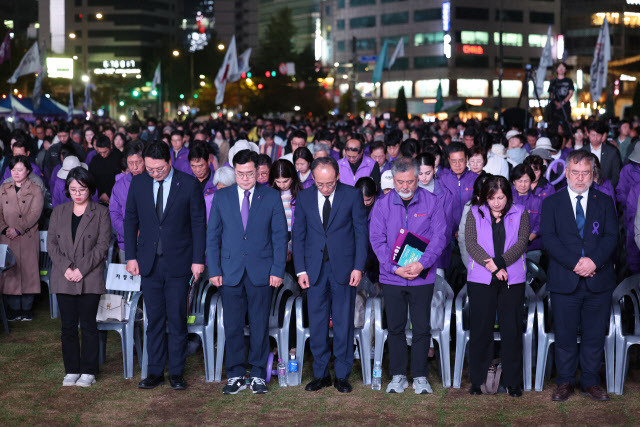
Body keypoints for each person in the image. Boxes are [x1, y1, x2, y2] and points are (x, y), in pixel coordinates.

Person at [124, 142, 206, 391]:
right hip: (149, 263)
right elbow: (130, 220)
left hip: (179, 262)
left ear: (169, 162)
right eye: (149, 169)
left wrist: (198, 260)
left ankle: (177, 373)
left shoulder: (189, 184)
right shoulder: (138, 183)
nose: (154, 173)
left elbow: (199, 224)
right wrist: (131, 256)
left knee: (178, 319)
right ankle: (155, 371)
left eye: (159, 169)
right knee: (154, 320)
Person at [207, 149, 288, 395]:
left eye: (250, 173)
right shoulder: (222, 197)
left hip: (261, 271)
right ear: (234, 171)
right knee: (232, 324)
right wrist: (214, 269)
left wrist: (277, 270)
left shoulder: (272, 197)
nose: (245, 178)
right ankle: (233, 373)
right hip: (229, 271)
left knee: (260, 324)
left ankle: (257, 374)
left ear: (257, 171)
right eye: (240, 174)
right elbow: (213, 237)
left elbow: (280, 236)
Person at [541, 149, 618, 402]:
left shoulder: (604, 201)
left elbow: (611, 238)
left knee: (594, 334)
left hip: (598, 279)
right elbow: (549, 240)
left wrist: (593, 261)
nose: (580, 178)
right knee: (564, 334)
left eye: (586, 173)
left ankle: (590, 381)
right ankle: (564, 382)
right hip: (565, 279)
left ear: (593, 173)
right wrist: (576, 263)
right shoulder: (552, 202)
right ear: (566, 172)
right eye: (575, 172)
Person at [369, 157, 447, 394]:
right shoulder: (382, 205)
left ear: (419, 179)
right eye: (400, 181)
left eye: (411, 182)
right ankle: (398, 375)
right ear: (393, 180)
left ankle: (421, 376)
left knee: (422, 327)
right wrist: (394, 267)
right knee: (395, 327)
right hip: (393, 277)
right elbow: (377, 240)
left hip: (422, 276)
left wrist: (422, 264)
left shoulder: (432, 202)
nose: (405, 186)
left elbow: (440, 236)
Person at [292, 156, 368, 394]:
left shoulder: (352, 195)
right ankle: (321, 374)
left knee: (344, 322)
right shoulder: (304, 197)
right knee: (316, 322)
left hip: (344, 268)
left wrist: (358, 267)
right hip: (314, 269)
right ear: (312, 179)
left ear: (337, 176)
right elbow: (299, 235)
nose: (325, 188)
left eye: (330, 183)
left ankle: (343, 375)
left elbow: (360, 233)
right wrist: (300, 269)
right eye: (320, 184)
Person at [465, 175, 530, 397]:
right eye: (492, 198)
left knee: (511, 330)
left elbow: (522, 242)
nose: (496, 202)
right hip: (481, 279)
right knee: (480, 330)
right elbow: (470, 243)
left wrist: (501, 263)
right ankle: (477, 380)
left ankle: (513, 382)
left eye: (501, 197)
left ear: (508, 196)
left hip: (512, 279)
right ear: (485, 197)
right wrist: (493, 267)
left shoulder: (520, 212)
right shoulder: (475, 212)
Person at [47, 167, 111, 388]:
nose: (77, 193)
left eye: (82, 189)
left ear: (90, 189)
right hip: (63, 276)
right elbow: (51, 245)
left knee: (88, 325)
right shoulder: (58, 212)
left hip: (90, 276)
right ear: (67, 190)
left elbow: (102, 245)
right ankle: (71, 369)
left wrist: (80, 269)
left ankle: (89, 370)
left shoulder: (101, 212)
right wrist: (66, 267)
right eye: (73, 189)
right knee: (67, 326)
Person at [0, 156, 44, 321]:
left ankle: (26, 309)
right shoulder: (4, 188)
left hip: (27, 236)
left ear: (28, 170)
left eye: (20, 169)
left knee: (28, 271)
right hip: (7, 236)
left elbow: (35, 213)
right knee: (10, 272)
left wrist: (19, 229)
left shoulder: (35, 189)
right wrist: (5, 229)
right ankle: (12, 309)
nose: (16, 173)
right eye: (13, 170)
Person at [109, 141, 145, 261]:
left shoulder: (154, 182)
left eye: (138, 162)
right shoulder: (120, 185)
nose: (134, 167)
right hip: (127, 243)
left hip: (151, 243)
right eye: (131, 163)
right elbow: (114, 214)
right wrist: (131, 232)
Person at [440, 142, 478, 235]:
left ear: (467, 159)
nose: (457, 165)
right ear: (449, 160)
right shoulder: (441, 180)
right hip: (448, 232)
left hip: (471, 231)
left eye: (461, 160)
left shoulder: (476, 179)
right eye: (453, 161)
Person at [458, 173, 491, 269]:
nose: (485, 200)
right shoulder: (469, 208)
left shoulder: (507, 207)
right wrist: (469, 264)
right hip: (475, 262)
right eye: (480, 196)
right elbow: (462, 237)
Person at [510, 164, 543, 251]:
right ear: (514, 181)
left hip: (532, 247)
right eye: (520, 181)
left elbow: (539, 225)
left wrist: (527, 241)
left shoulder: (538, 201)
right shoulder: (507, 200)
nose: (523, 185)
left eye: (526, 181)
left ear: (531, 182)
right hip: (510, 247)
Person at [584, 121, 622, 187]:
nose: (595, 138)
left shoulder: (612, 152)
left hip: (607, 189)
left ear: (602, 136)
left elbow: (616, 174)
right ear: (588, 134)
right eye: (593, 135)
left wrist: (607, 188)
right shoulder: (582, 152)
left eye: (598, 135)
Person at [88, 134, 123, 205]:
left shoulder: (118, 156)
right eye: (100, 152)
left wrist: (108, 193)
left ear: (110, 147)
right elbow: (92, 179)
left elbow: (120, 178)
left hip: (116, 195)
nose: (103, 155)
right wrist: (101, 194)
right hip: (99, 197)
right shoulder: (95, 160)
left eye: (105, 152)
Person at [547, 62, 574, 131]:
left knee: (566, 124)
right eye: (559, 67)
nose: (561, 69)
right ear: (557, 70)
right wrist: (556, 102)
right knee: (554, 124)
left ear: (565, 70)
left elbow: (570, 93)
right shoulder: (553, 81)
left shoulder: (569, 81)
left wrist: (562, 103)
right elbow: (551, 94)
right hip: (555, 106)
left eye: (563, 68)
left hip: (565, 105)